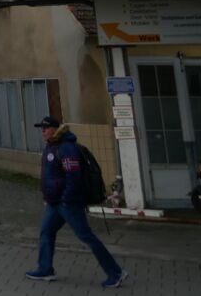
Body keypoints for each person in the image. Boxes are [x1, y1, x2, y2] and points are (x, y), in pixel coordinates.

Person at [25, 116, 128, 288]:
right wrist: (48, 197)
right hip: (54, 203)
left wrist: (66, 198)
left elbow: (73, 177)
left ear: (55, 129)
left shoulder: (66, 148)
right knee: (46, 232)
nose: (42, 131)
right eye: (41, 128)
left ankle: (115, 272)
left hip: (68, 203)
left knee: (86, 236)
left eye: (46, 128)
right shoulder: (51, 147)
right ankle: (45, 268)